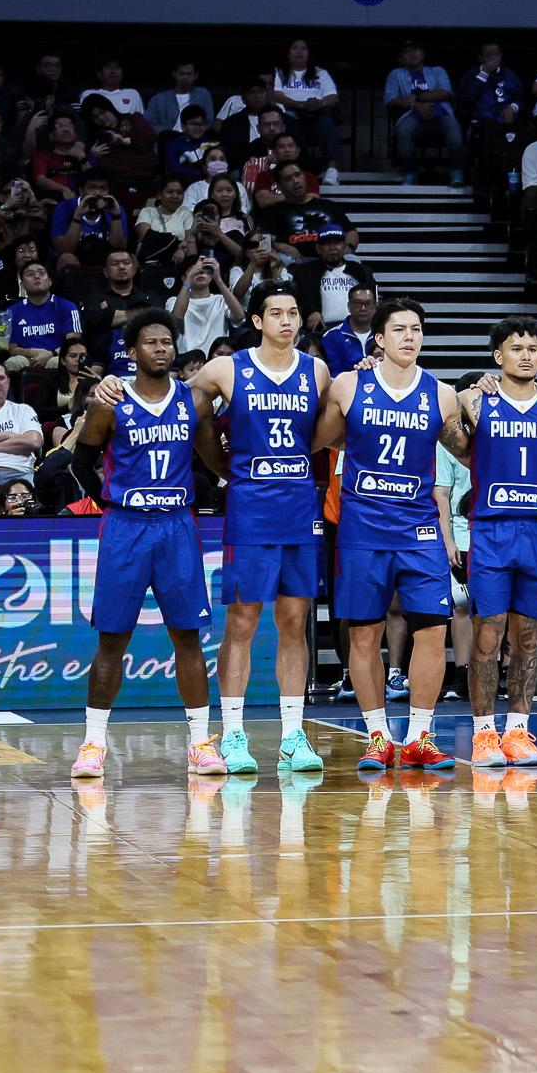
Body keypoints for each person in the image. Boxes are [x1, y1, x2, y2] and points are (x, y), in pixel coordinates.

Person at [68, 312, 223, 782]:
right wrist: (111, 502)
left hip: (177, 526)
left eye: (166, 342)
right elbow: (80, 463)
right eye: (150, 343)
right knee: (112, 639)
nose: (161, 349)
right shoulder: (108, 405)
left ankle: (199, 743)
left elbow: (215, 460)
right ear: (131, 352)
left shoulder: (194, 401)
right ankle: (93, 743)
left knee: (187, 636)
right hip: (126, 527)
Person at [315, 299, 467, 772]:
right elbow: (322, 439)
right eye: (398, 329)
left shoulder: (442, 395)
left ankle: (420, 735)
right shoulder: (348, 384)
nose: (409, 337)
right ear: (378, 338)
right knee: (365, 632)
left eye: (416, 329)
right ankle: (378, 735)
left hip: (419, 529)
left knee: (432, 629)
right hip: (362, 528)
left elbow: (469, 451)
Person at [190, 278, 326, 773]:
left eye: (293, 312)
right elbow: (185, 411)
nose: (287, 321)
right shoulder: (226, 368)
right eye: (276, 313)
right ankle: (232, 735)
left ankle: (292, 735)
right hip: (249, 507)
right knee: (243, 622)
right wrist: (220, 467)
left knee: (294, 621)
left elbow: (330, 428)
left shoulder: (317, 370)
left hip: (299, 507)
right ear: (256, 321)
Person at [457, 318, 537, 767]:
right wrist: (467, 394)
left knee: (528, 641)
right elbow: (448, 426)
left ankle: (517, 731)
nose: (527, 355)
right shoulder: (475, 402)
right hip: (493, 532)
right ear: (498, 356)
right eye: (517, 348)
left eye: (534, 348)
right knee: (487, 635)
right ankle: (485, 734)